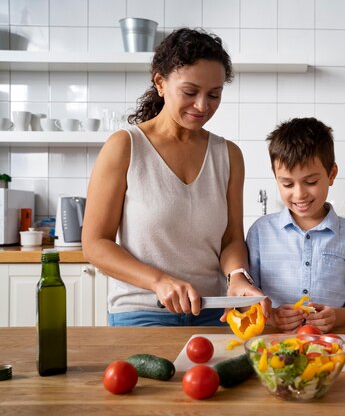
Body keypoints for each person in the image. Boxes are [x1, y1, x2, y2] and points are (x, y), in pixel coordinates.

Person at [82, 28, 268, 327]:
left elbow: (231, 238)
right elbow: (95, 243)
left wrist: (237, 277)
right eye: (190, 92)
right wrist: (159, 281)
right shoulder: (125, 147)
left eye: (214, 95)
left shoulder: (228, 155)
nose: (202, 106)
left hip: (214, 308)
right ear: (160, 83)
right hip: (143, 310)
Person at [246, 117, 345, 333]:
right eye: (287, 184)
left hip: (331, 346)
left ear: (331, 174)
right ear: (276, 178)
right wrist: (273, 317)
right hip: (272, 344)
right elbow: (246, 299)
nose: (299, 194)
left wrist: (337, 317)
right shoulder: (260, 232)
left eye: (311, 182)